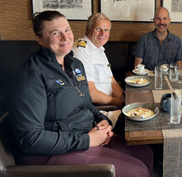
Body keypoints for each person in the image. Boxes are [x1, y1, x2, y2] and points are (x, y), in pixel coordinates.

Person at [9, 11, 153, 177]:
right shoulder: (31, 75)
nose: (65, 37)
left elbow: (85, 103)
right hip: (49, 152)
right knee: (136, 171)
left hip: (84, 133)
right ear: (40, 39)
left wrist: (103, 121)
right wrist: (88, 140)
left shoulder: (75, 64)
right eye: (55, 33)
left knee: (146, 153)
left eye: (67, 30)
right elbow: (30, 139)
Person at [72, 13, 124, 107]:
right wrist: (121, 103)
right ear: (88, 29)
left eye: (106, 30)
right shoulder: (81, 50)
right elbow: (91, 94)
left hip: (111, 102)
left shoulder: (98, 48)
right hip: (97, 107)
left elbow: (111, 81)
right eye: (98, 29)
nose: (103, 34)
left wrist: (125, 99)